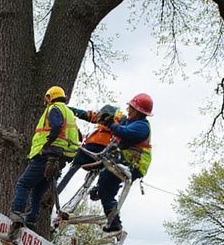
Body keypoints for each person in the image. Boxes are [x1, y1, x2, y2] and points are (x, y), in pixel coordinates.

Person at [10, 85, 80, 228]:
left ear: (50, 97)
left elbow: (56, 126)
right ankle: (31, 221)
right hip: (59, 159)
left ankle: (17, 213)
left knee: (23, 184)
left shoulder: (54, 108)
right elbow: (76, 136)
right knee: (37, 192)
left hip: (47, 156)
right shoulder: (69, 113)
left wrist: (48, 144)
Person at [96, 92, 153, 233]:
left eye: (131, 108)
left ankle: (112, 217)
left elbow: (124, 133)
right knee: (106, 187)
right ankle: (113, 221)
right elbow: (119, 125)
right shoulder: (129, 121)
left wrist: (112, 125)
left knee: (107, 176)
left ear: (138, 111)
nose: (128, 110)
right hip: (125, 161)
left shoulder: (142, 126)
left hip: (135, 164)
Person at [54, 103, 123, 200]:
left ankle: (57, 188)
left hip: (94, 149)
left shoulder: (113, 123)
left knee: (73, 161)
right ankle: (98, 189)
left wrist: (66, 108)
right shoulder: (118, 123)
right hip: (102, 153)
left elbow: (85, 115)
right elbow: (86, 115)